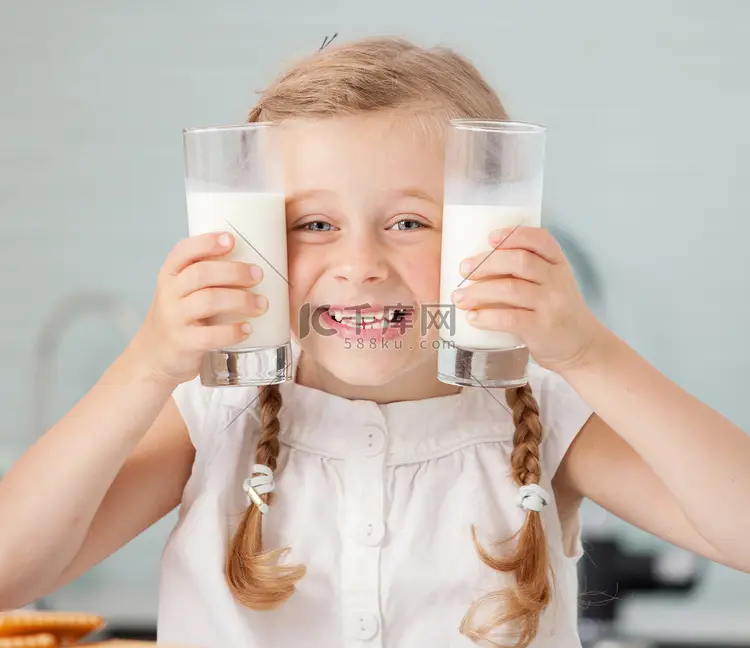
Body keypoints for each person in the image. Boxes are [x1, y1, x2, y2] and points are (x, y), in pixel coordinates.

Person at [0, 36, 748, 648]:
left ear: (485, 233)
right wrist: (143, 369)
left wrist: (590, 354)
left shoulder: (547, 414)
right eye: (314, 225)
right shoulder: (211, 413)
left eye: (409, 223)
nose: (360, 264)